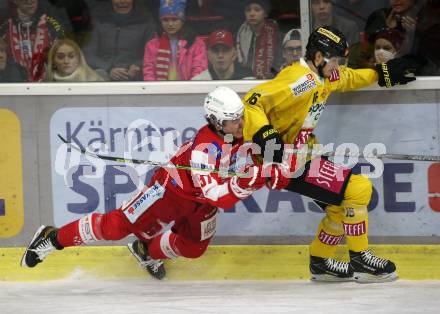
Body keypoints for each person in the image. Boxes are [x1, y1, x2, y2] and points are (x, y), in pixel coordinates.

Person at [21, 86, 289, 280]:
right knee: (116, 227)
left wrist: (276, 165)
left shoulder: (243, 125)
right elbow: (219, 196)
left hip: (199, 203)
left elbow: (265, 154)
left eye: (241, 116)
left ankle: (145, 249)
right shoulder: (203, 150)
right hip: (169, 194)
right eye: (234, 120)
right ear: (217, 121)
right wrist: (254, 180)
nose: (242, 123)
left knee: (194, 248)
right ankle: (52, 238)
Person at [241, 26, 417, 283]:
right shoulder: (300, 80)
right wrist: (267, 137)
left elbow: (346, 77)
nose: (338, 66)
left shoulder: (324, 74)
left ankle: (321, 262)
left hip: (304, 155)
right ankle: (360, 259)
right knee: (358, 189)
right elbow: (252, 102)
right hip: (284, 161)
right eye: (335, 60)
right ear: (319, 57)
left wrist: (379, 73)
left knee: (337, 207)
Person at [82, 0, 156, 81]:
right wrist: (108, 68)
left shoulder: (146, 21)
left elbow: (153, 54)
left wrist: (137, 66)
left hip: (135, 78)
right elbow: (88, 54)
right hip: (101, 76)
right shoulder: (98, 20)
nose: (122, 1)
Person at [0, 0, 65, 82]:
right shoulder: (4, 22)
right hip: (13, 82)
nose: (30, 1)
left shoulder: (52, 18)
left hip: (48, 82)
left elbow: (64, 47)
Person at [143, 0, 207, 81]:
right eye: (165, 20)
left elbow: (199, 73)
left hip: (189, 91)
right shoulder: (151, 46)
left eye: (174, 19)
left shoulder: (197, 44)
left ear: (182, 21)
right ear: (160, 22)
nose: (170, 24)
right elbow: (149, 74)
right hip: (160, 91)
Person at [236, 0, 282, 79]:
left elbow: (279, 62)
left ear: (265, 13)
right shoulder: (240, 34)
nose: (252, 14)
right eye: (248, 10)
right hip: (246, 79)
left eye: (257, 10)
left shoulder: (276, 34)